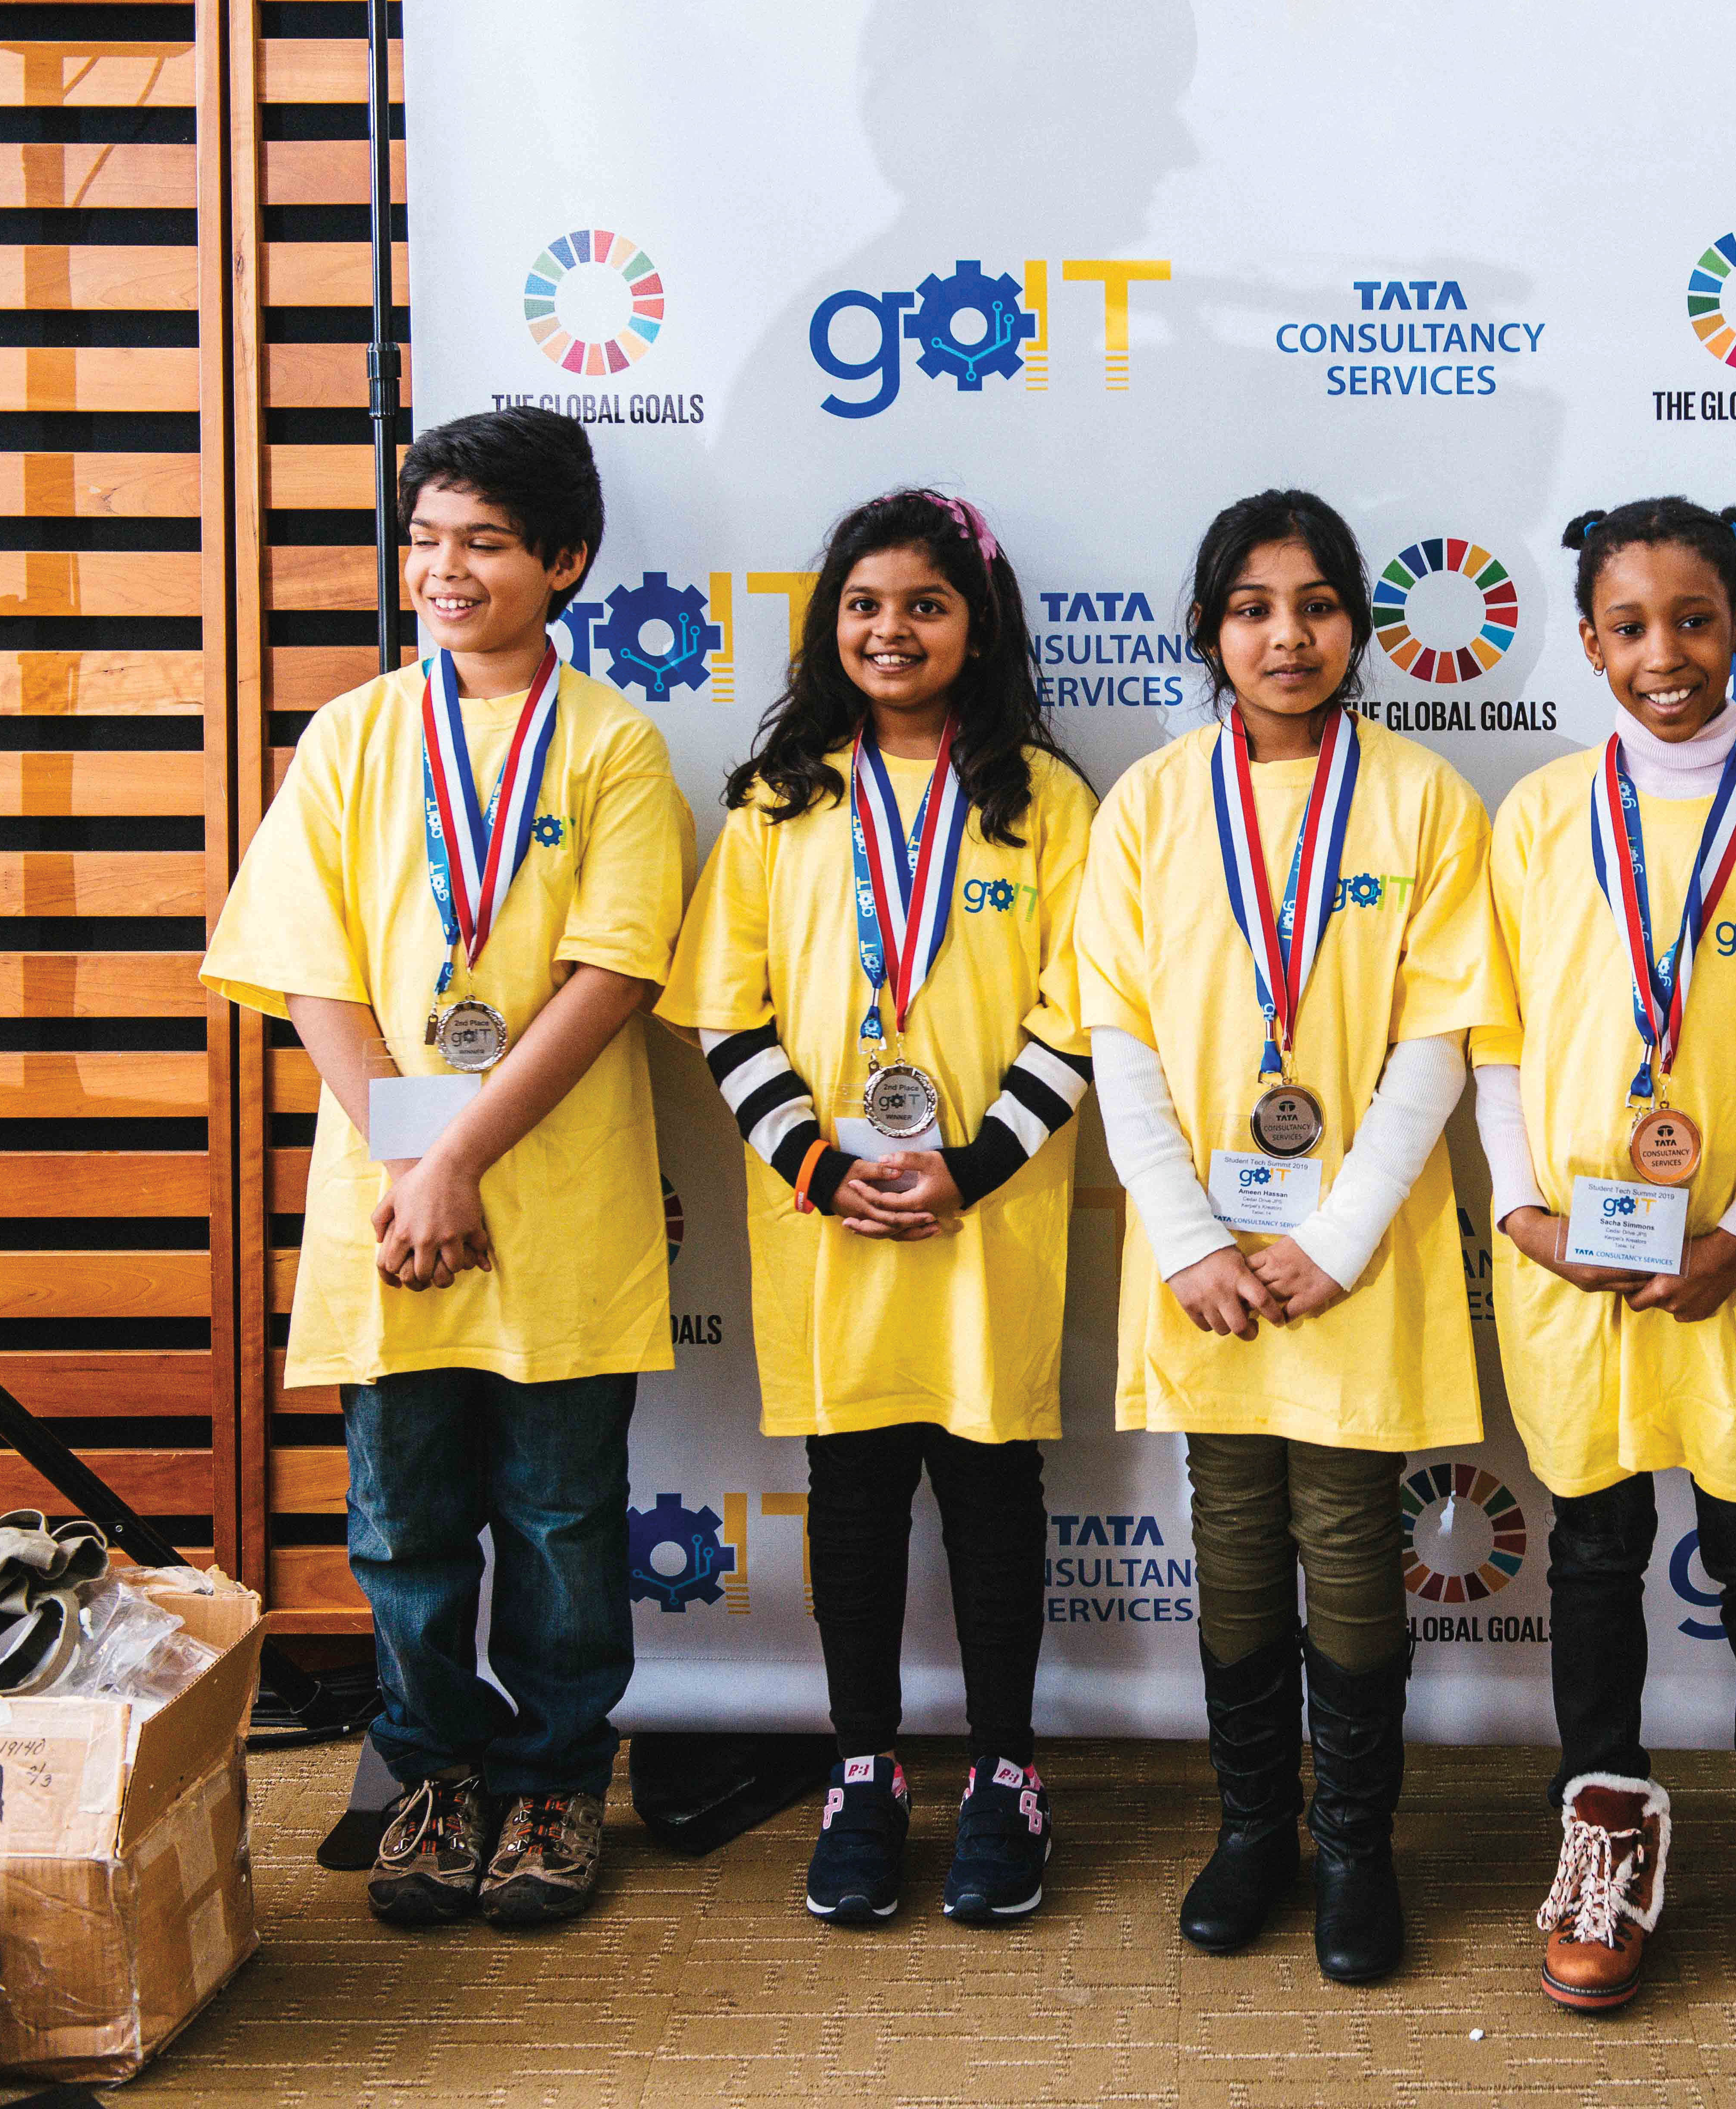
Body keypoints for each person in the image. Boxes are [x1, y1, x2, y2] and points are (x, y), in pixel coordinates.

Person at [199, 407, 692, 1927]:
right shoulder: (351, 735)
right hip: (391, 1215)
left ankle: (552, 1779)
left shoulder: (613, 744)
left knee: (558, 1519)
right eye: (424, 539)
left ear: (566, 561)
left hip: (556, 1207)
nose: (445, 569)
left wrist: (463, 1156)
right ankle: (434, 1770)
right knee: (401, 1524)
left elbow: (608, 979)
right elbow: (310, 972)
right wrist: (419, 1172)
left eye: (483, 542)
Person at [1071, 489, 1504, 1983]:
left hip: (1354, 1252)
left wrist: (1339, 1231)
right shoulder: (1147, 804)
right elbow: (1113, 1036)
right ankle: (1254, 1827)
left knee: (1348, 1538)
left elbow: (1442, 1039)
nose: (1287, 635)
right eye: (1253, 607)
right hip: (1204, 1260)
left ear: (1360, 628)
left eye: (1318, 604)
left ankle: (1356, 1847)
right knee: (1238, 1540)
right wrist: (1190, 1237)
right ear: (1208, 630)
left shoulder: (1424, 801)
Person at [1476, 498, 1736, 2027]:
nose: (1667, 654)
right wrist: (1523, 1211)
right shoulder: (1532, 818)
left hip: (1734, 1267)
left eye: (1696, 620)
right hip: (1571, 1268)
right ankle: (1602, 1832)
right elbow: (1498, 1046)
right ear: (1587, 642)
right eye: (1632, 626)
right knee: (1589, 1556)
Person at [657, 489, 1096, 1930]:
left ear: (979, 626)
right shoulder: (781, 796)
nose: (890, 629)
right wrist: (815, 1162)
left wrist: (971, 1164)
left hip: (991, 1214)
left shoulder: (1044, 796)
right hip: (824, 1220)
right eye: (863, 603)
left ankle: (1007, 1773)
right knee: (850, 1501)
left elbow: (1082, 1016)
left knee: (990, 1498)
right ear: (827, 623)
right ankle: (860, 1768)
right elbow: (728, 1013)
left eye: (924, 603)